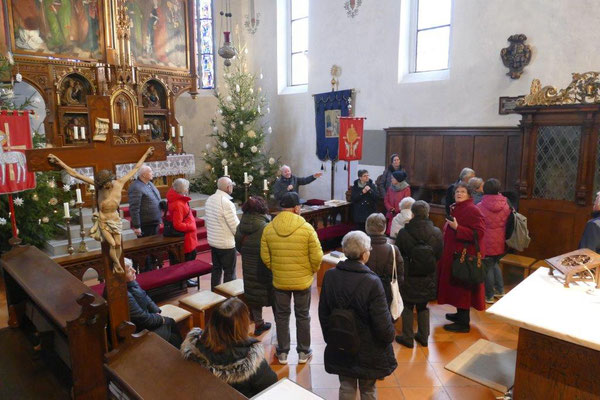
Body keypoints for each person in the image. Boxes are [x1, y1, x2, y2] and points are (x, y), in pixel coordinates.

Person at [49, 146, 155, 274]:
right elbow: (75, 173)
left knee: (117, 243)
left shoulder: (120, 183)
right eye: (103, 185)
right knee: (112, 244)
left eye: (107, 184)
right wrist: (59, 162)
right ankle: (116, 264)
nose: (106, 187)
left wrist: (146, 153)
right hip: (104, 219)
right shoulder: (99, 187)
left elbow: (136, 168)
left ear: (111, 179)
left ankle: (117, 264)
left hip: (115, 218)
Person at [319, 231, 397, 400]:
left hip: (341, 341)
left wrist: (331, 337)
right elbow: (382, 322)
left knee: (346, 385)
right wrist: (390, 337)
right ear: (364, 254)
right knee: (368, 389)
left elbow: (323, 312)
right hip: (368, 348)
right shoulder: (372, 281)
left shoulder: (330, 275)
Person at [260, 192, 323, 365]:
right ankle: (303, 352)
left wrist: (277, 269)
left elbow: (265, 256)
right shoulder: (307, 228)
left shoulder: (269, 228)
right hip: (302, 281)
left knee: (281, 316)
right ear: (296, 208)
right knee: (303, 315)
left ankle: (282, 353)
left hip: (280, 280)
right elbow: (317, 256)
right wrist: (310, 271)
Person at [180, 298, 277, 398]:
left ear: (212, 321)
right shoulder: (252, 360)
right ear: (243, 325)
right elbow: (272, 386)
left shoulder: (194, 344)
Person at [437, 182, 486, 333]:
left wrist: (458, 228)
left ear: (469, 195)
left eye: (463, 192)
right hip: (455, 254)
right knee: (457, 286)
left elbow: (479, 233)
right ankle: (460, 315)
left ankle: (464, 323)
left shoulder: (472, 209)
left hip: (464, 256)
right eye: (457, 191)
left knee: (463, 287)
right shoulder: (457, 207)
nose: (459, 194)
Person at [394, 201, 443, 348]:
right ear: (428, 213)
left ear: (413, 213)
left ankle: (408, 337)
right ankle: (423, 336)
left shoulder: (404, 232)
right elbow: (439, 254)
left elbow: (399, 253)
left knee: (408, 305)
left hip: (409, 274)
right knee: (423, 306)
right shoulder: (436, 232)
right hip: (428, 274)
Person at [234, 196, 273, 336]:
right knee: (273, 295)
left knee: (253, 296)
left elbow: (238, 246)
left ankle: (259, 324)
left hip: (248, 266)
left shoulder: (241, 225)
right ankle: (280, 329)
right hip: (264, 268)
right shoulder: (266, 227)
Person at [125, 258, 183, 348]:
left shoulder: (130, 283)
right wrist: (160, 319)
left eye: (132, 267)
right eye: (129, 270)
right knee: (170, 327)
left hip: (145, 321)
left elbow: (145, 296)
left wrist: (156, 310)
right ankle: (179, 353)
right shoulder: (125, 295)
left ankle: (179, 350)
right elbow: (142, 319)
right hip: (139, 331)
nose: (134, 271)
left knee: (171, 324)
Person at [477, 178, 511, 304]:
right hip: (500, 238)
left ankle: (489, 295)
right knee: (495, 262)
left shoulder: (480, 206)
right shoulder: (506, 204)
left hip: (486, 239)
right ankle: (500, 290)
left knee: (488, 266)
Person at [205, 177, 240, 289]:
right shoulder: (226, 203)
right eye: (232, 186)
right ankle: (228, 298)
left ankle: (214, 294)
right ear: (228, 187)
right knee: (229, 272)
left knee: (216, 269)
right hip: (226, 244)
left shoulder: (210, 199)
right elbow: (234, 226)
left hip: (214, 241)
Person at [365, 213, 403, 307]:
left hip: (363, 292)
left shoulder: (361, 248)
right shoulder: (394, 250)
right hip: (386, 294)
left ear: (366, 227)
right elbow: (400, 276)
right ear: (384, 228)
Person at [166, 178, 198, 262]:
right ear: (182, 189)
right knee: (188, 264)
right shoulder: (178, 204)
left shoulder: (177, 200)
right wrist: (191, 226)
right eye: (186, 187)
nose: (187, 189)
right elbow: (177, 224)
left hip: (188, 237)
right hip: (187, 239)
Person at [128, 165, 162, 238]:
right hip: (146, 224)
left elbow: (155, 198)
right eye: (150, 171)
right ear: (143, 175)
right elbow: (134, 208)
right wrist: (137, 226)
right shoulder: (136, 187)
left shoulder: (149, 183)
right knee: (148, 247)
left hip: (154, 222)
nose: (153, 173)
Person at [384, 170, 411, 235]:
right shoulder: (390, 188)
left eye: (393, 178)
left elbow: (406, 203)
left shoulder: (406, 189)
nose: (391, 180)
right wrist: (390, 208)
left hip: (400, 216)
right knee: (389, 233)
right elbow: (386, 200)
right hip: (390, 214)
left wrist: (396, 210)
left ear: (398, 179)